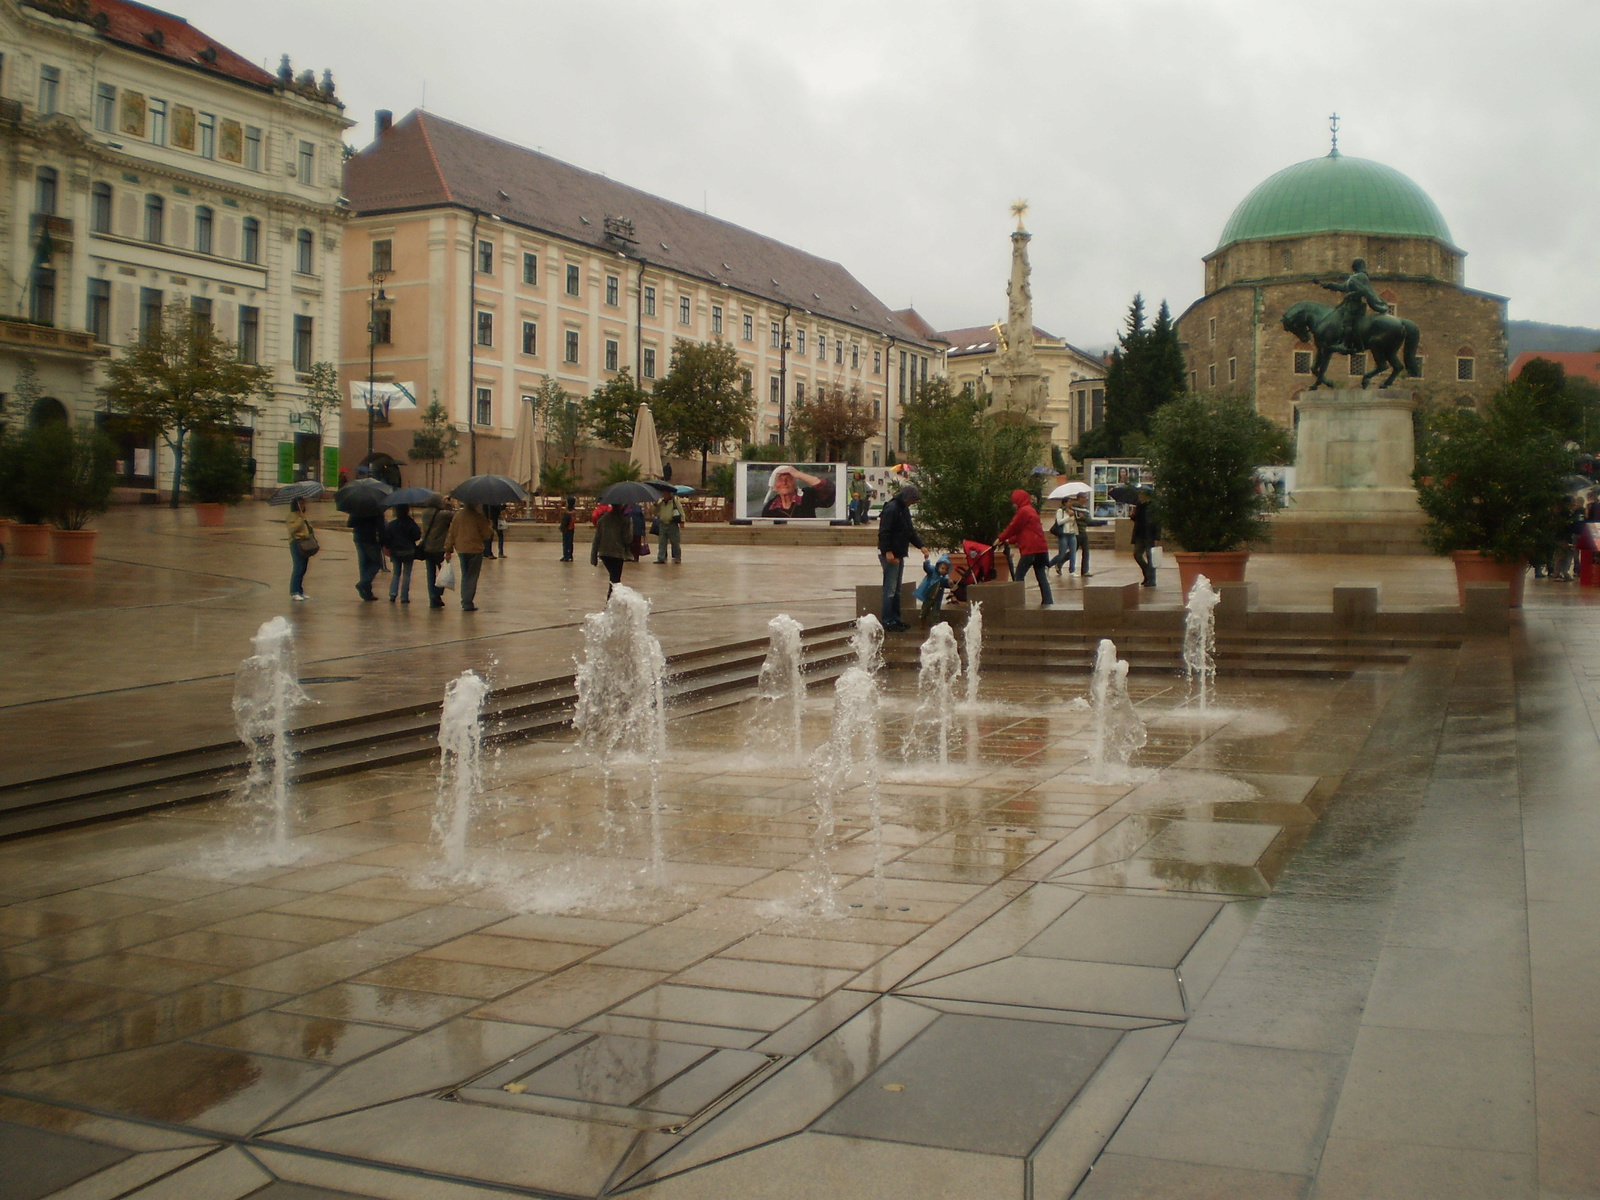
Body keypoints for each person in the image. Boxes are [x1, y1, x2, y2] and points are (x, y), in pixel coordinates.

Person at [876, 483, 925, 632]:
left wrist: (921, 546)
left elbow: (909, 531)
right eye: (913, 500)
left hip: (899, 553)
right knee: (890, 589)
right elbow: (884, 532)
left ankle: (896, 618)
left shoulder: (903, 509)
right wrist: (888, 551)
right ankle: (887, 620)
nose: (913, 503)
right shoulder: (892, 509)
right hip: (891, 554)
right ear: (907, 497)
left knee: (897, 589)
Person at [996, 488, 1053, 607]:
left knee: (1019, 576)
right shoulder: (1032, 510)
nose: (1013, 505)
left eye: (1014, 502)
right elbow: (1024, 532)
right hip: (1042, 549)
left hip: (1030, 550)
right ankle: (1048, 602)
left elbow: (1014, 527)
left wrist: (1000, 538)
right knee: (1041, 576)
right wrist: (1009, 540)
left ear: (1018, 500)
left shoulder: (1023, 511)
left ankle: (1017, 602)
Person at [1320, 257, 1389, 354]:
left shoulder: (1361, 276)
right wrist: (1329, 285)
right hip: (1350, 304)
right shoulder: (1355, 276)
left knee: (1347, 322)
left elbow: (1363, 291)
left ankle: (1345, 344)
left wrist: (1351, 294)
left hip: (1355, 305)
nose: (1352, 266)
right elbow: (1344, 287)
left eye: (1354, 264)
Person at [443, 502, 494, 611]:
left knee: (465, 575)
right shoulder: (479, 517)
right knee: (472, 576)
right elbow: (487, 535)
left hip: (461, 549)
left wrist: (448, 549)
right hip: (475, 549)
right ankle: (467, 601)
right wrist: (490, 526)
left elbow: (451, 533)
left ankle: (464, 599)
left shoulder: (458, 516)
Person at [761, 465, 835, 518]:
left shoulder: (807, 495)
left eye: (789, 479)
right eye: (780, 480)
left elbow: (828, 490)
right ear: (774, 486)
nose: (784, 483)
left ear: (794, 483)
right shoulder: (770, 507)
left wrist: (799, 474)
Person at [591, 503, 632, 596]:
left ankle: (612, 602)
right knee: (615, 580)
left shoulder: (602, 519)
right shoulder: (624, 520)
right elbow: (627, 539)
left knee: (613, 578)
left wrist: (593, 555)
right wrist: (630, 526)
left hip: (604, 553)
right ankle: (610, 603)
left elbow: (597, 538)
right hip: (617, 553)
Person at [417, 496, 451, 608]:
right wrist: (448, 505)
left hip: (427, 547)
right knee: (444, 573)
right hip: (439, 547)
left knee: (430, 573)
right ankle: (437, 593)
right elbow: (454, 516)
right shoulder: (442, 515)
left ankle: (432, 596)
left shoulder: (424, 513)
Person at [383, 504, 422, 603]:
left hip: (396, 552)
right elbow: (417, 536)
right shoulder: (411, 523)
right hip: (409, 551)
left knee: (396, 573)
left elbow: (387, 538)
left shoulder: (392, 524)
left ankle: (393, 593)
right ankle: (404, 597)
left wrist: (388, 547)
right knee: (407, 574)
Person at [915, 553, 963, 628]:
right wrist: (926, 560)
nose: (943, 570)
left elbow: (947, 585)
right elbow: (927, 568)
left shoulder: (945, 578)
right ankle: (922, 620)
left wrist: (951, 583)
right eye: (942, 568)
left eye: (945, 569)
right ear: (938, 567)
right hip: (928, 596)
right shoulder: (933, 571)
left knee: (936, 612)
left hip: (937, 598)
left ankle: (935, 625)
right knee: (925, 610)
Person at [348, 509, 384, 601]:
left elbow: (350, 523)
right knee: (377, 563)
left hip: (358, 537)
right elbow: (381, 526)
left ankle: (367, 593)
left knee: (364, 565)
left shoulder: (357, 508)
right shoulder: (376, 509)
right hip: (371, 539)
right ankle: (363, 583)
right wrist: (384, 541)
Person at [285, 498, 315, 601]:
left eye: (303, 503)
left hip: (305, 543)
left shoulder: (301, 515)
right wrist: (300, 519)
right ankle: (294, 591)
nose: (302, 505)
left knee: (303, 568)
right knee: (298, 567)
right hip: (297, 543)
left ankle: (300, 590)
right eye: (300, 503)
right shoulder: (293, 516)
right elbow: (292, 529)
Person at [1130, 492, 1160, 587]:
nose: (1140, 497)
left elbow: (1157, 522)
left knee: (1150, 558)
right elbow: (1137, 519)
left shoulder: (1153, 506)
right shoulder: (1139, 506)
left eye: (1142, 496)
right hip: (1139, 534)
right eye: (1139, 496)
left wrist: (1157, 537)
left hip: (1149, 535)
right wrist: (1133, 516)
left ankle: (1151, 580)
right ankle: (1147, 573)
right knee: (1137, 555)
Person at [654, 490, 685, 563]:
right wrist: (655, 505)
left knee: (675, 542)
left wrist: (682, 521)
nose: (664, 495)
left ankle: (677, 557)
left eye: (666, 494)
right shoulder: (661, 503)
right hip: (662, 524)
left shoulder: (675, 502)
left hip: (672, 524)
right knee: (662, 542)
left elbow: (681, 511)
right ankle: (661, 558)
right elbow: (655, 512)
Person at [1048, 500, 1078, 576]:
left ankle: (1072, 571)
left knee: (1073, 553)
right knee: (1061, 554)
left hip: (1072, 534)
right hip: (1064, 534)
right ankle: (1048, 565)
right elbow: (1059, 522)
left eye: (1071, 502)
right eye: (1069, 502)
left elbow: (1074, 522)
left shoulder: (1073, 511)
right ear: (1065, 503)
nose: (1071, 503)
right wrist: (1069, 516)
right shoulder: (1060, 511)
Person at [1068, 497, 1094, 577]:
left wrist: (1083, 517)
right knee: (1073, 551)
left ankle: (1085, 571)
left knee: (1086, 551)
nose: (1086, 499)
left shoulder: (1085, 509)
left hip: (1083, 531)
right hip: (1076, 532)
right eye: (1084, 497)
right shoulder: (1072, 507)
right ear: (1080, 498)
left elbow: (1089, 521)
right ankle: (1060, 562)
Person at [558, 495, 578, 562]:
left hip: (567, 528)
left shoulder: (567, 512)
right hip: (571, 528)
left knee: (565, 542)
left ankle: (566, 555)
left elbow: (564, 521)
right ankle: (570, 555)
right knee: (570, 542)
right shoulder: (574, 511)